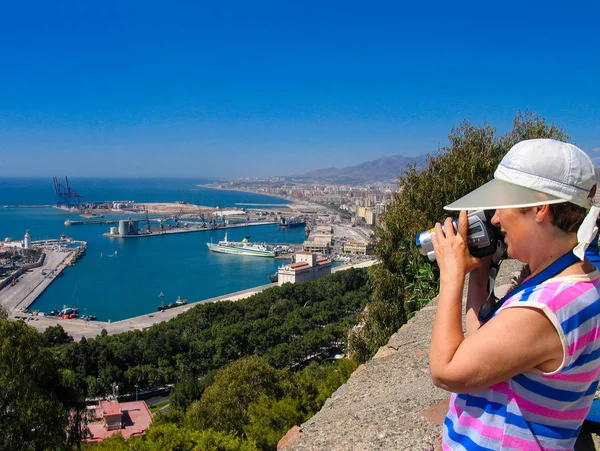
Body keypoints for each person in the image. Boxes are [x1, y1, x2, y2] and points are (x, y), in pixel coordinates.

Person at [429, 139, 600, 450]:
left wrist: (451, 275)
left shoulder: (546, 308)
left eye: (502, 206)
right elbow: (485, 348)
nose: (495, 219)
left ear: (539, 209)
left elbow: (446, 372)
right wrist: (480, 272)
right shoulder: (572, 279)